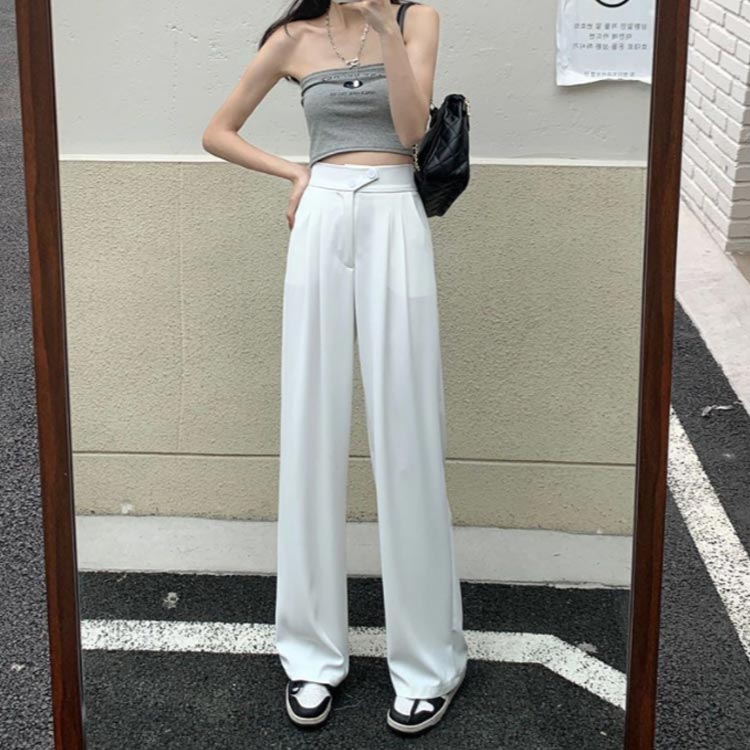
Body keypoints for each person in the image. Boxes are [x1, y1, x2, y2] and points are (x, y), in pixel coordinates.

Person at [202, 0, 468, 735]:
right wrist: (295, 171)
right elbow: (218, 131)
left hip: (394, 212)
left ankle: (429, 662)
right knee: (311, 424)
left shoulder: (415, 19)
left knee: (407, 433)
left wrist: (385, 29)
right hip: (320, 215)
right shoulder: (291, 38)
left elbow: (411, 131)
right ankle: (312, 653)